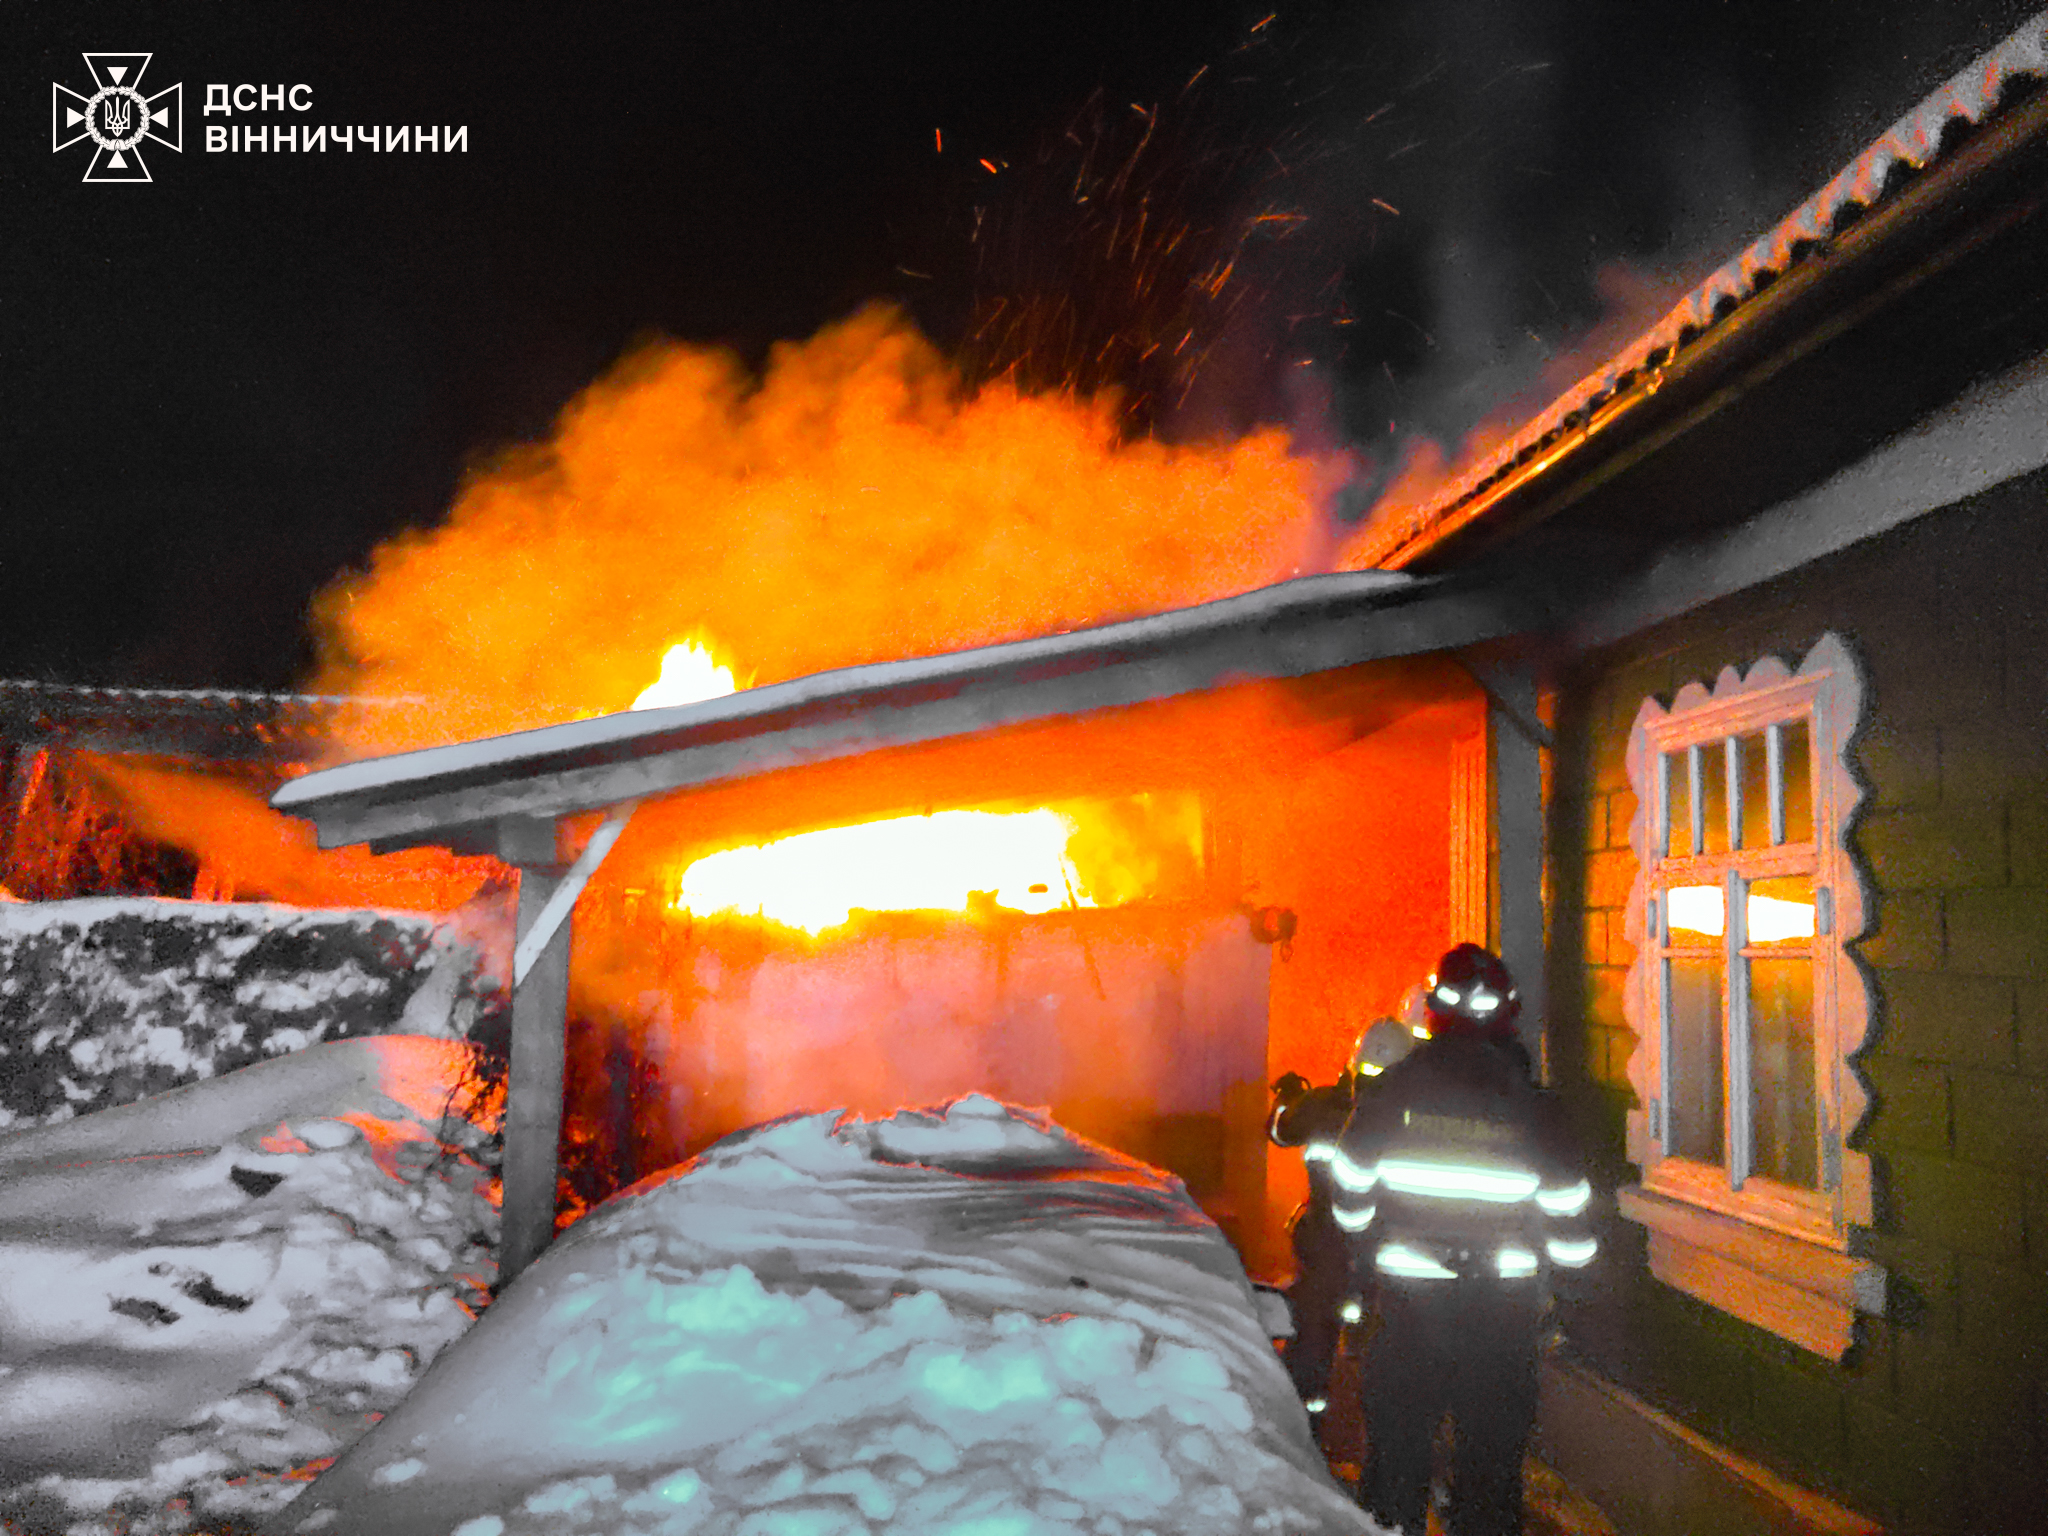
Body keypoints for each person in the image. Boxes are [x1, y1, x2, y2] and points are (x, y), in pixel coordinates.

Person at [1327, 943, 1597, 1536]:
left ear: (1432, 1011)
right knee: (1490, 1474)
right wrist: (1568, 1303)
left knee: (1396, 1464)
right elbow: (1570, 1223)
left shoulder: (1391, 1094)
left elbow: (1348, 1193)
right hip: (1501, 1318)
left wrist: (1366, 1252)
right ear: (1508, 1013)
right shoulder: (1536, 1109)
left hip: (1408, 1312)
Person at [1268, 1013, 1420, 1430]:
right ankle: (1377, 1429)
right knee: (1385, 1345)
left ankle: (1306, 1427)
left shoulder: (1320, 1104)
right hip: (1384, 1251)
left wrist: (1287, 1095)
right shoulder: (1415, 1119)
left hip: (1325, 1243)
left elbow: (1280, 1131)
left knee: (1314, 1335)